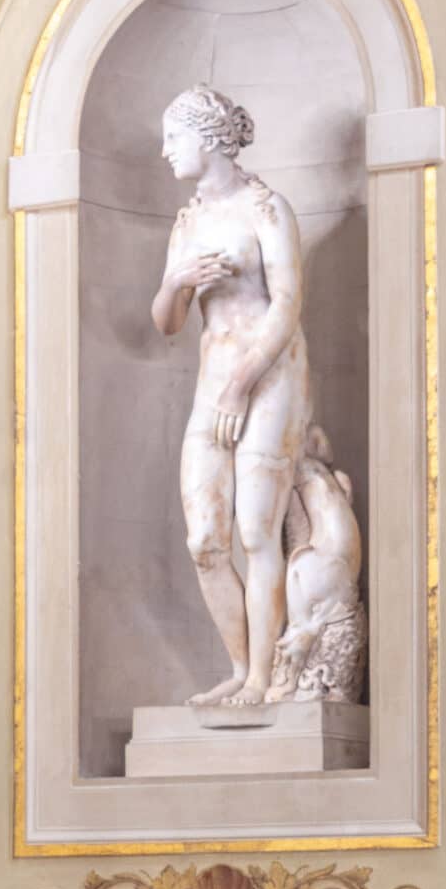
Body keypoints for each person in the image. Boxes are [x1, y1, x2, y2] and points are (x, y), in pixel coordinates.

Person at [151, 84, 310, 706]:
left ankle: (264, 677)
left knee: (256, 531)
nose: (166, 150)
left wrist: (242, 385)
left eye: (174, 137)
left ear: (208, 138)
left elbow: (288, 305)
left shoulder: (267, 208)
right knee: (205, 542)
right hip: (213, 381)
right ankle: (241, 666)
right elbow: (168, 324)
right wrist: (175, 282)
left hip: (268, 377)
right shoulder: (188, 222)